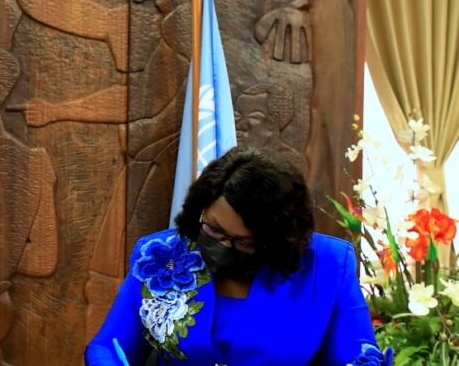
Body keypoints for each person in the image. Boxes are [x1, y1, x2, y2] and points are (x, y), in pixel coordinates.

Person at [85, 147, 391, 366]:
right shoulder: (162, 256)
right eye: (214, 230)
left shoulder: (327, 264)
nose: (224, 246)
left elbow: (357, 356)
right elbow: (107, 347)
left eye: (243, 241)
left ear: (276, 239)